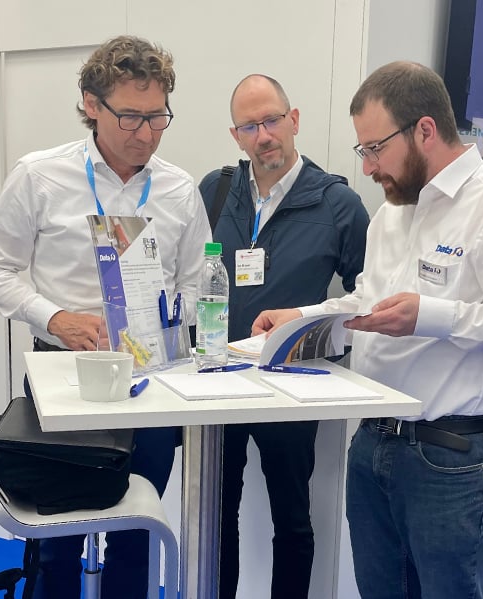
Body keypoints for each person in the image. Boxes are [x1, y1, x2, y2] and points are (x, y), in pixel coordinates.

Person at [251, 61, 483, 599]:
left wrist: (433, 316)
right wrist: (305, 318)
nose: (368, 168)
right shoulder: (392, 214)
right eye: (363, 151)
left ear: (425, 130)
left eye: (375, 149)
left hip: (454, 456)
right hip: (375, 441)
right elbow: (368, 301)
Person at [0, 35, 211, 598]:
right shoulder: (39, 176)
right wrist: (54, 317)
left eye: (158, 117)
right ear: (91, 104)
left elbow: (197, 284)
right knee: (56, 540)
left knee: (138, 533)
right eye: (130, 117)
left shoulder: (177, 188)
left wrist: (167, 321)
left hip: (152, 383)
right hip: (65, 378)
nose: (146, 134)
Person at [198, 74, 369, 599]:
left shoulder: (339, 204)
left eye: (272, 120)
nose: (263, 134)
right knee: (215, 514)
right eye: (250, 125)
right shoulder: (216, 190)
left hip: (293, 387)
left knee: (292, 518)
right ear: (235, 134)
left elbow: (369, 298)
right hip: (217, 383)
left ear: (294, 121)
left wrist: (317, 331)